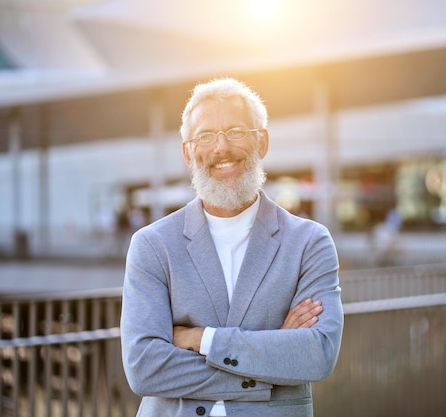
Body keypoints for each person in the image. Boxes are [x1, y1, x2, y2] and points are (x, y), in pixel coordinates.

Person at [120, 77, 344, 417]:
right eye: (206, 136)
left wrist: (200, 339)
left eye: (236, 131)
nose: (221, 147)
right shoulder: (152, 245)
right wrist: (274, 357)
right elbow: (144, 368)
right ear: (188, 153)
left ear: (262, 142)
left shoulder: (309, 242)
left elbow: (317, 355)